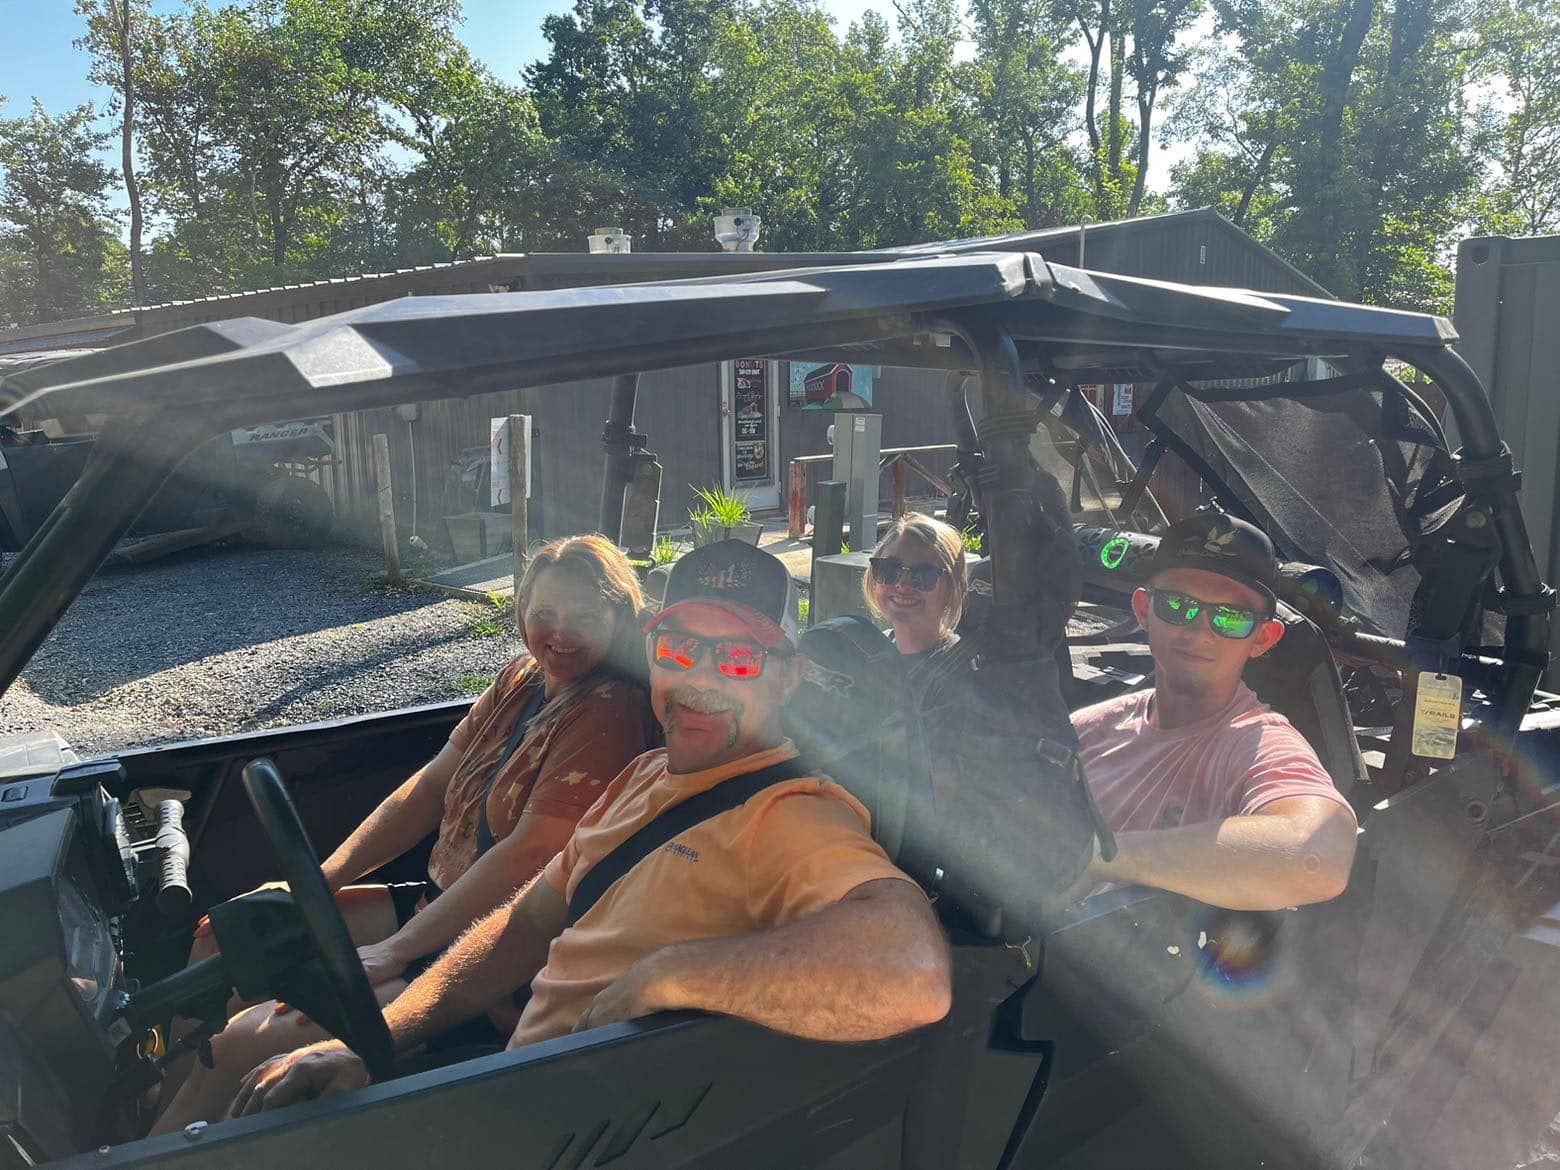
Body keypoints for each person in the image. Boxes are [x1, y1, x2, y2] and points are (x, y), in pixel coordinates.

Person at [225, 540, 952, 1116]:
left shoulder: (793, 815)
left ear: (787, 679)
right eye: (677, 651)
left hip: (575, 1123)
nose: (701, 679)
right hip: (503, 1079)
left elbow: (915, 974)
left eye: (737, 658)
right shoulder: (643, 775)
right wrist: (378, 1039)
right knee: (262, 1077)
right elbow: (524, 925)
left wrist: (668, 975)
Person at [154, 533, 657, 1133]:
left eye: (585, 617)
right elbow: (425, 791)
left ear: (620, 618)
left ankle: (149, 1148)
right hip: (435, 902)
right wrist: (314, 881)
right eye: (543, 614)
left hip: (497, 948)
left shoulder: (609, 711)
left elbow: (531, 853)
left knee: (244, 1039)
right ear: (520, 611)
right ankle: (160, 1102)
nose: (559, 633)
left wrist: (395, 952)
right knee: (235, 935)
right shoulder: (522, 681)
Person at [1068, 507, 1357, 911]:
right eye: (1178, 605)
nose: (1200, 630)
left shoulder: (1259, 745)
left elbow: (1317, 858)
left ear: (1263, 638)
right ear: (1144, 611)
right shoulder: (1088, 728)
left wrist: (1104, 856)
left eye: (1231, 617)